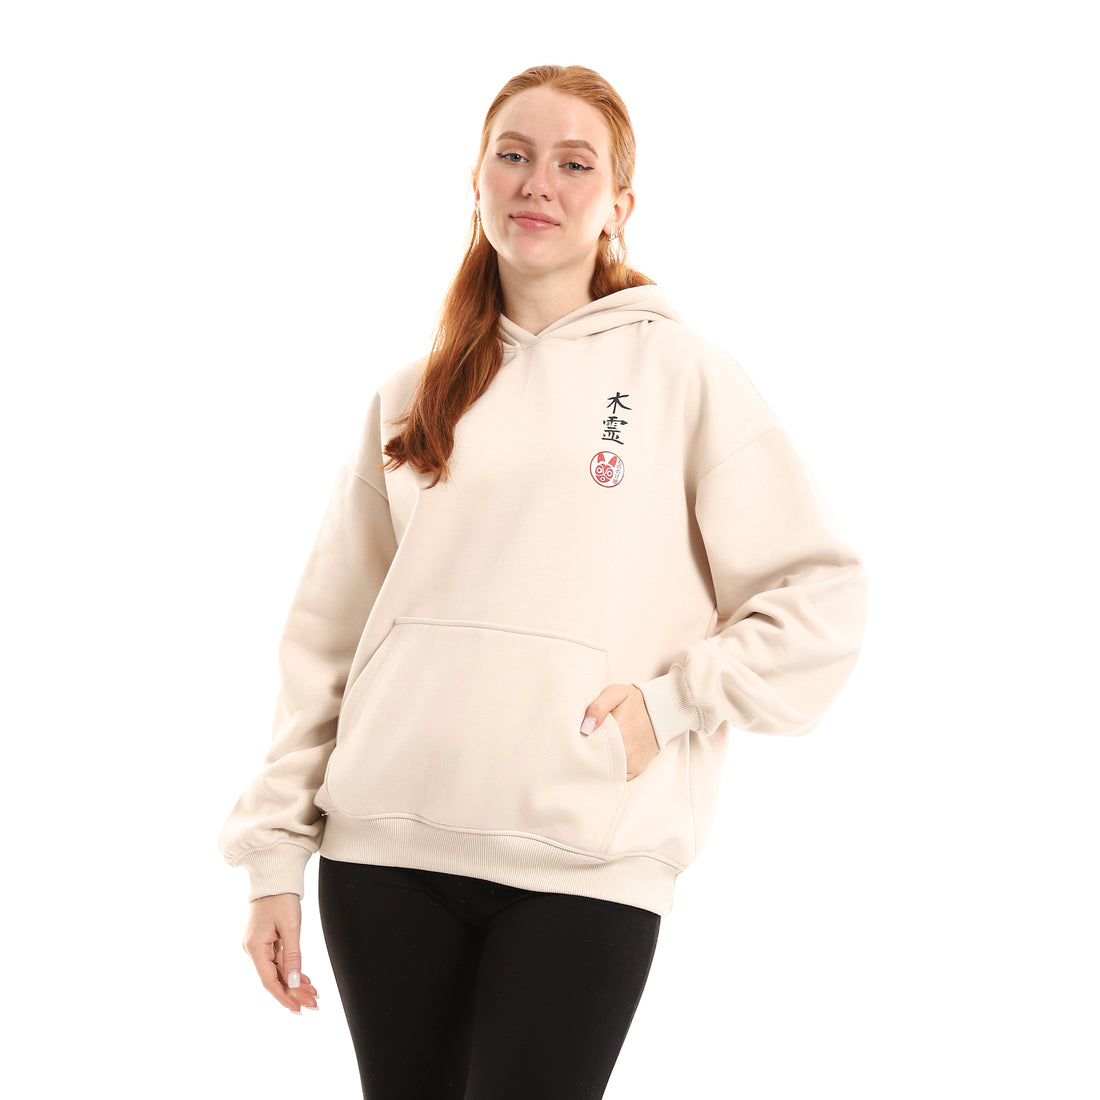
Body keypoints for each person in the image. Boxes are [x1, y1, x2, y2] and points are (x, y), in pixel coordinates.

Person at [218, 63, 868, 1099]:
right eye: (513, 155)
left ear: (618, 206)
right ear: (476, 179)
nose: (537, 183)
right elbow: (326, 640)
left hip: (586, 857)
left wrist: (672, 702)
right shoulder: (410, 396)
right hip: (383, 852)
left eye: (574, 164)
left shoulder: (681, 374)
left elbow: (817, 593)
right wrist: (272, 858)